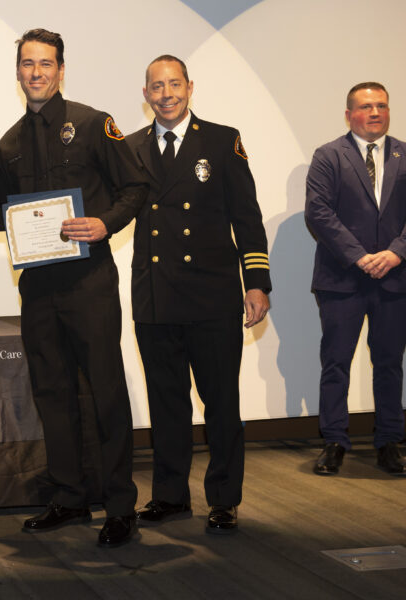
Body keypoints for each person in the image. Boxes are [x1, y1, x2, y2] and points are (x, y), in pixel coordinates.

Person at [0, 29, 146, 548]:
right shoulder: (7, 143)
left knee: (105, 391)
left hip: (89, 283)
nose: (36, 72)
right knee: (52, 393)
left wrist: (105, 223)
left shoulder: (92, 123)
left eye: (46, 63)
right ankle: (69, 496)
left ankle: (120, 505)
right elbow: (1, 213)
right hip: (38, 287)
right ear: (17, 72)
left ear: (61, 71)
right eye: (27, 64)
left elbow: (136, 187)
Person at [126, 55, 271, 534]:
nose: (166, 94)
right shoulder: (129, 148)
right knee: (167, 403)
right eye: (156, 86)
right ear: (145, 94)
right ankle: (170, 496)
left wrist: (256, 282)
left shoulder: (221, 140)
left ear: (190, 87)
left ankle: (224, 498)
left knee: (221, 403)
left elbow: (246, 217)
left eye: (174, 84)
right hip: (155, 299)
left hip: (211, 295)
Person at [306, 82, 406, 477]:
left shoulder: (404, 153)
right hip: (341, 278)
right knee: (336, 363)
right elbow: (318, 213)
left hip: (395, 278)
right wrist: (360, 257)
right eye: (366, 107)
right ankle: (333, 440)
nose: (375, 112)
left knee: (389, 364)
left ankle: (389, 442)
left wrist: (396, 252)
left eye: (381, 105)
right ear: (349, 115)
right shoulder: (329, 156)